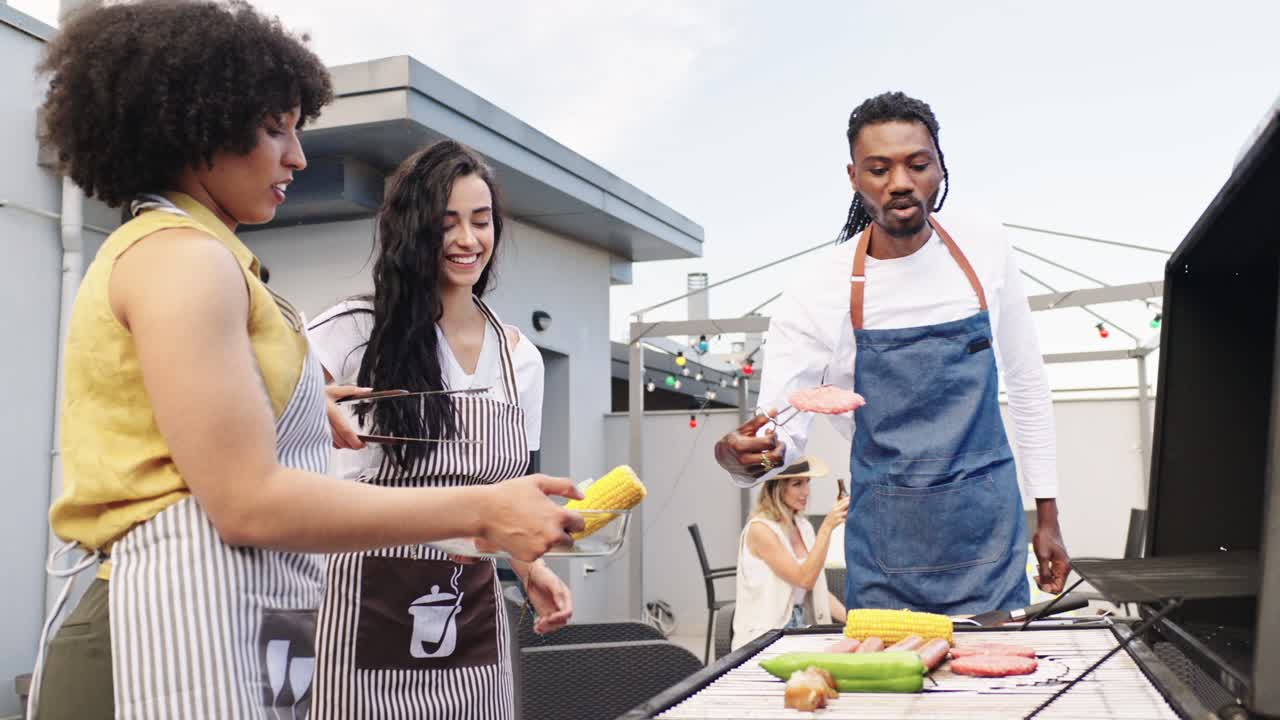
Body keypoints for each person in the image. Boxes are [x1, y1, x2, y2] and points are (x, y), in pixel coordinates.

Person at [32, 3, 581, 718]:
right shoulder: (182, 263)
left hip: (230, 626)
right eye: (273, 129)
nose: (296, 155)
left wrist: (299, 407)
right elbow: (246, 502)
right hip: (151, 635)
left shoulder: (219, 266)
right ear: (196, 124)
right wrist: (482, 507)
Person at [714, 91, 1071, 615]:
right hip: (886, 547)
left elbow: (1026, 381)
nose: (900, 182)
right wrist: (743, 460)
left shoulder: (986, 246)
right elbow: (781, 430)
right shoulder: (818, 287)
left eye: (917, 164)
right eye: (879, 169)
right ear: (855, 178)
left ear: (941, 168)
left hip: (988, 536)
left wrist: (1047, 516)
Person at [304, 140, 568, 718]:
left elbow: (506, 501)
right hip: (358, 613)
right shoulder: (346, 332)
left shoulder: (518, 357)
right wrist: (301, 405)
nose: (467, 240)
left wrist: (532, 569)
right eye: (446, 224)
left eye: (481, 222)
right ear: (410, 230)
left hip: (470, 616)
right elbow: (259, 431)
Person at [732, 458, 848, 650]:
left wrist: (852, 620)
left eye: (807, 483)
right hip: (764, 637)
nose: (806, 492)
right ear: (777, 489)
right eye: (797, 484)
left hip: (800, 628)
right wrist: (827, 527)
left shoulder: (803, 526)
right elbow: (804, 579)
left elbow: (817, 589)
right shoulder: (761, 530)